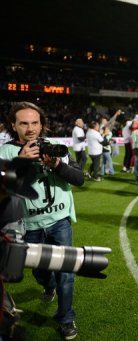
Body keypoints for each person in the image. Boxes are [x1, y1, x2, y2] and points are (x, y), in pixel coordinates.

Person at [0, 101, 84, 340]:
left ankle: (66, 318)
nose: (30, 128)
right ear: (13, 125)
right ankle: (47, 285)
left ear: (42, 124)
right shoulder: (5, 152)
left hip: (59, 221)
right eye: (24, 123)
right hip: (29, 225)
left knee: (66, 273)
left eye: (35, 122)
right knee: (39, 272)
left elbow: (79, 179)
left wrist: (56, 164)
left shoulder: (56, 147)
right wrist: (22, 162)